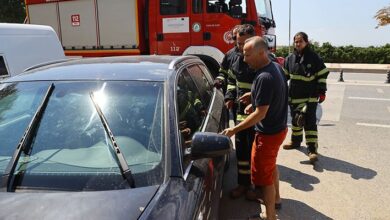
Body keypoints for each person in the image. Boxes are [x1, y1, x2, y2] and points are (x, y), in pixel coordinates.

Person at [222, 36, 288, 220]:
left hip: (267, 134)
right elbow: (275, 91)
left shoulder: (263, 77)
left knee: (265, 180)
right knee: (271, 166)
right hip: (280, 130)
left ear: (261, 53)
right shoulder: (275, 67)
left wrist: (233, 130)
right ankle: (277, 200)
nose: (244, 59)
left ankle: (270, 216)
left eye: (248, 54)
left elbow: (260, 114)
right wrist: (254, 96)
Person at [222, 24, 258, 201]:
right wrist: (229, 96)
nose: (241, 48)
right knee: (242, 151)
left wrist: (254, 97)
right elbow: (230, 80)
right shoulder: (235, 57)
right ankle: (242, 184)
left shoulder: (264, 60)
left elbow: (271, 89)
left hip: (258, 116)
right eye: (238, 43)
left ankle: (255, 187)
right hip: (240, 112)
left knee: (255, 153)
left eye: (244, 44)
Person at [282, 32, 329, 163]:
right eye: (296, 42)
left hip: (310, 97)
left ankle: (312, 150)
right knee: (296, 121)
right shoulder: (289, 58)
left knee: (309, 123)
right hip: (294, 97)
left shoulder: (314, 58)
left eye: (300, 41)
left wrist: (322, 91)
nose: (298, 44)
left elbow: (322, 74)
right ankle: (295, 142)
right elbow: (284, 77)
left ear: (306, 42)